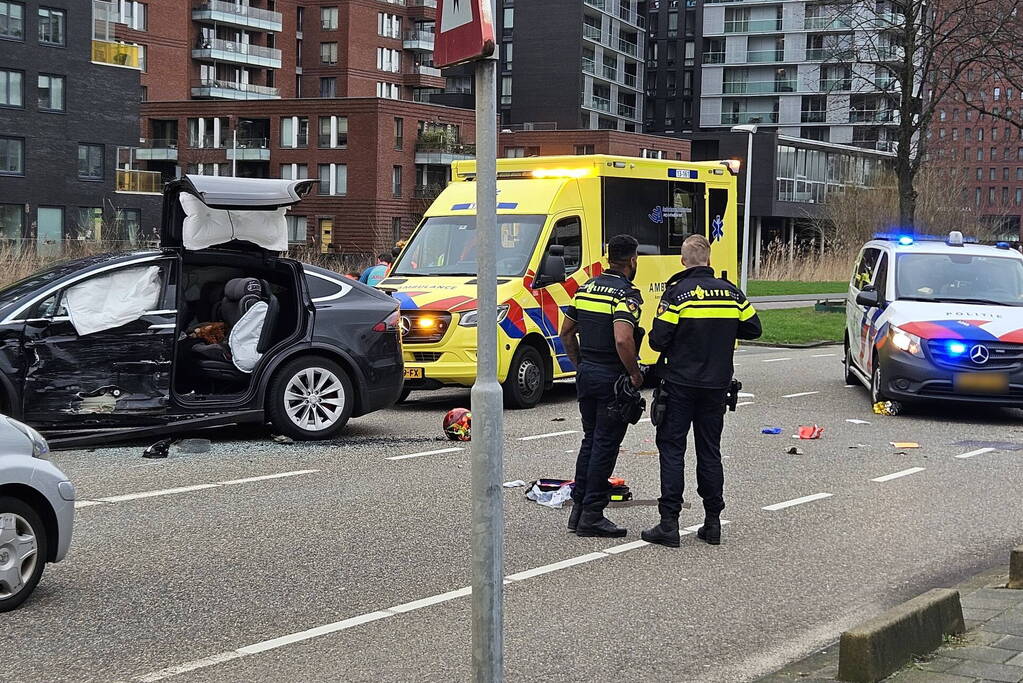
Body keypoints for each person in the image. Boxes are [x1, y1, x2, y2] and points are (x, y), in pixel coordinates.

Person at [641, 234, 762, 548]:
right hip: (716, 386)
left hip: (679, 384)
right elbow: (753, 328)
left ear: (683, 261)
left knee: (672, 449)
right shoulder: (731, 293)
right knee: (710, 451)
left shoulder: (677, 293)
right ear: (709, 259)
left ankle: (669, 524)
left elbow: (657, 340)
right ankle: (712, 522)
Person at [559, 235, 644, 538]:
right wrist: (634, 373)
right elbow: (622, 338)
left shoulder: (585, 288)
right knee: (605, 446)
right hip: (611, 378)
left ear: (609, 258)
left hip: (587, 374)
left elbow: (566, 332)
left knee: (590, 441)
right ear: (632, 260)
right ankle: (593, 515)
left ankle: (579, 511)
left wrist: (580, 364)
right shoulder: (626, 294)